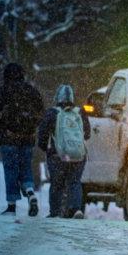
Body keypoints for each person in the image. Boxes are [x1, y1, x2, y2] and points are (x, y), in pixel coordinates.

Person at [0, 63, 44, 217]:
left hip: (8, 139)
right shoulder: (31, 91)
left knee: (10, 171)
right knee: (26, 168)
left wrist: (1, 128)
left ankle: (11, 207)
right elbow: (41, 112)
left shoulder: (3, 91)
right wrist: (31, 128)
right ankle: (31, 193)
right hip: (27, 139)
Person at [38, 84, 90, 219]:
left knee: (57, 183)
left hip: (58, 155)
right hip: (78, 155)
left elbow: (42, 136)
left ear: (58, 97)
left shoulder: (52, 113)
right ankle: (76, 209)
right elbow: (87, 134)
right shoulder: (80, 112)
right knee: (75, 182)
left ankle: (55, 212)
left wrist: (46, 149)